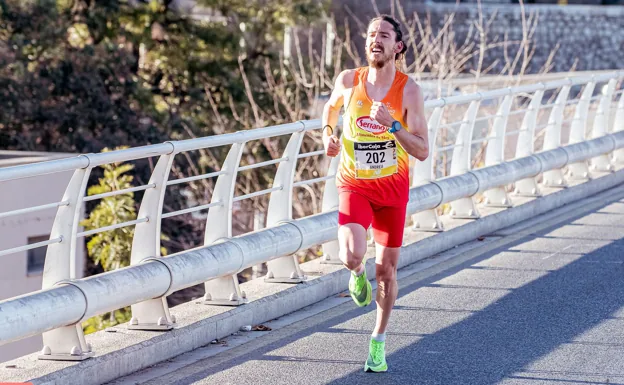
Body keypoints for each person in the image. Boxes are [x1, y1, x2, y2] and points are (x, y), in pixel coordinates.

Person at [322, 14, 429, 373]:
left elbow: (422, 149)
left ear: (397, 47)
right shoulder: (349, 80)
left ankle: (378, 341)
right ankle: (355, 272)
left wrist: (393, 125)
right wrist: (328, 135)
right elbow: (331, 107)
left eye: (384, 35)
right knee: (352, 254)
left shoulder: (408, 90)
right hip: (354, 184)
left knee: (386, 273)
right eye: (371, 34)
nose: (375, 39)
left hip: (393, 192)